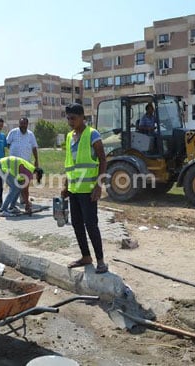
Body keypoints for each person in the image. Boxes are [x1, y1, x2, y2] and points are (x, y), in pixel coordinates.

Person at [62, 103, 109, 274]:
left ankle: (101, 261)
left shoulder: (92, 134)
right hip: (74, 189)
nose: (70, 121)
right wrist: (66, 185)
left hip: (89, 190)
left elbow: (103, 160)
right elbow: (69, 163)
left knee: (91, 224)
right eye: (68, 118)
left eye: (73, 118)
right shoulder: (69, 137)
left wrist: (99, 185)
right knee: (76, 224)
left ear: (83, 117)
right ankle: (86, 256)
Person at [6, 117, 39, 204]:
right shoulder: (13, 132)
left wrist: (36, 160)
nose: (23, 125)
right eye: (21, 124)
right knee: (14, 183)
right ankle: (13, 201)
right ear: (19, 124)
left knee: (24, 183)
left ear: (27, 124)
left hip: (25, 164)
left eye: (24, 124)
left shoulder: (31, 134)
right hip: (14, 164)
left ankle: (23, 199)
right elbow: (8, 144)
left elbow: (34, 147)